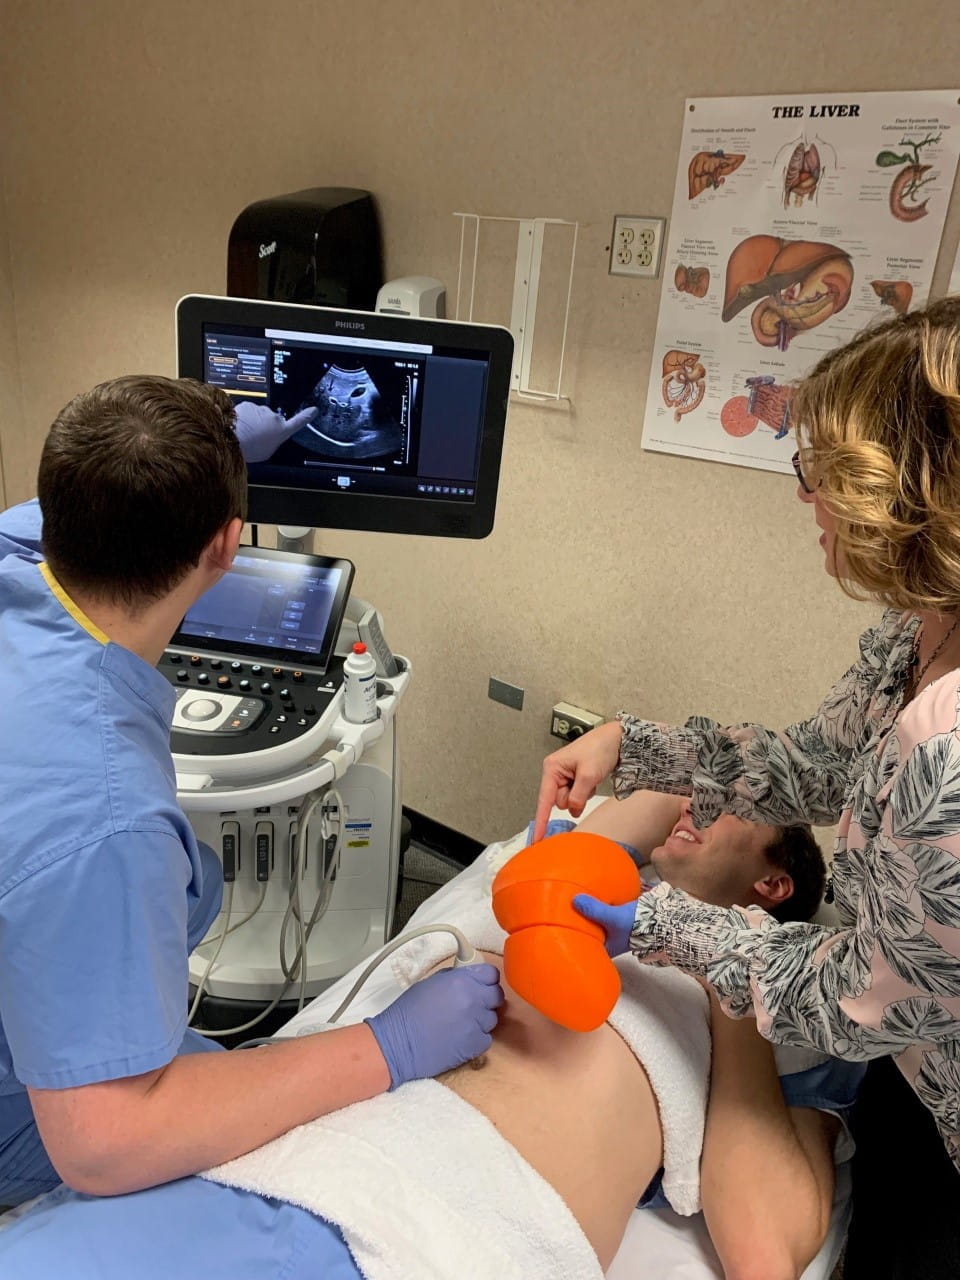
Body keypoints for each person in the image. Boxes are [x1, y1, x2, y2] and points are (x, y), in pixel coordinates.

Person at [534, 296, 960, 1279]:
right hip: (905, 1054)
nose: (805, 494)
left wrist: (665, 921)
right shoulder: (924, 620)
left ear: (909, 489)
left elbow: (861, 994)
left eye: (825, 472)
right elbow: (816, 759)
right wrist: (634, 746)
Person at [0, 375, 503, 1207]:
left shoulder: (22, 550)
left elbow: (101, 488)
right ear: (228, 546)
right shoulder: (108, 817)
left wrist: (219, 445)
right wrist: (390, 1046)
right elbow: (106, 1143)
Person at [0, 793, 854, 1280]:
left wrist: (732, 975)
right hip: (290, 1168)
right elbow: (575, 844)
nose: (700, 803)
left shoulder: (751, 1005)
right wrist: (653, 784)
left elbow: (763, 1256)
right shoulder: (584, 895)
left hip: (442, 1235)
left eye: (735, 805)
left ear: (774, 883)